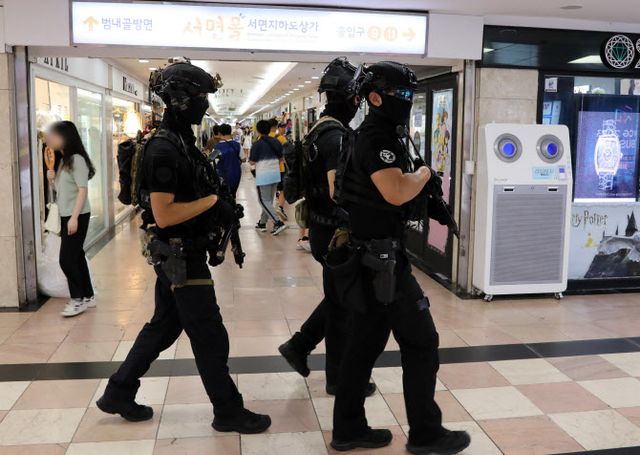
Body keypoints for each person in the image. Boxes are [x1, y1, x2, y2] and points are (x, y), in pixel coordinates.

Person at [96, 59, 271, 434]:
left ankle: (118, 391)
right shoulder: (164, 149)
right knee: (209, 335)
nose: (205, 104)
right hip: (179, 253)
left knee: (163, 327)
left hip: (179, 251)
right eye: (201, 97)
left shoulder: (180, 142)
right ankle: (228, 410)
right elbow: (164, 214)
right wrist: (212, 202)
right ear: (180, 100)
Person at [329, 61, 471, 454]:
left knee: (363, 346)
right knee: (422, 341)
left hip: (372, 255)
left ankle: (348, 428)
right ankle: (426, 434)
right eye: (402, 94)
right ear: (375, 98)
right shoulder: (377, 137)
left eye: (411, 93)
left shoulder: (374, 133)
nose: (408, 100)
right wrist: (423, 175)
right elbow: (395, 191)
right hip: (382, 261)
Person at [278, 57, 376, 397]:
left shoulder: (318, 130)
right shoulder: (336, 137)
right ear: (352, 98)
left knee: (339, 301)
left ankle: (300, 346)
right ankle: (336, 376)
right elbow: (339, 191)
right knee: (344, 307)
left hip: (322, 229)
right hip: (336, 234)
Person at [45, 121, 96, 317]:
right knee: (76, 256)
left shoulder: (76, 160)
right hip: (67, 214)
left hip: (77, 215)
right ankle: (88, 296)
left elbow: (83, 190)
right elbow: (64, 191)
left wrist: (74, 218)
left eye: (54, 135)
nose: (50, 139)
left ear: (65, 137)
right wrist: (51, 179)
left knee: (66, 260)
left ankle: (78, 299)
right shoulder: (64, 160)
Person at [250, 119, 287, 235]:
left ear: (258, 130)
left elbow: (252, 161)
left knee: (263, 200)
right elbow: (281, 159)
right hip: (275, 174)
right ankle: (262, 222)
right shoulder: (277, 141)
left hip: (263, 176)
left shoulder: (257, 144)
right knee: (268, 201)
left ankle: (278, 222)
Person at [211, 123, 243, 198]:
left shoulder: (216, 147)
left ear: (219, 133)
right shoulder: (238, 145)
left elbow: (213, 163)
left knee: (223, 196)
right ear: (230, 132)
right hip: (236, 174)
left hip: (222, 176)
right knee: (233, 194)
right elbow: (244, 159)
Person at [269, 118, 288, 222]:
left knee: (269, 190)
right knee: (283, 189)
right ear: (277, 126)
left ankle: (268, 209)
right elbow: (287, 152)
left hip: (266, 168)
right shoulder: (281, 138)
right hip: (279, 168)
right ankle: (280, 207)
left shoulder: (261, 138)